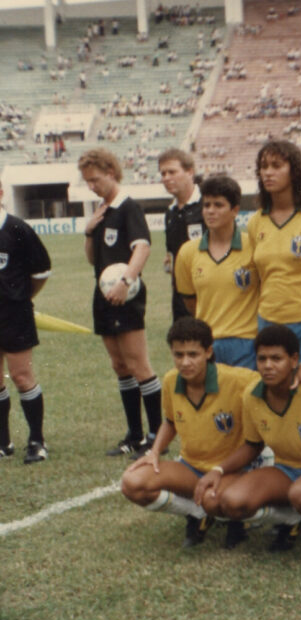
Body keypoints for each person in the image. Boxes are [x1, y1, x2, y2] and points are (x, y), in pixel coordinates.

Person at [195, 324, 301, 552]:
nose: (268, 366)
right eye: (262, 359)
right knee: (230, 502)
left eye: (276, 358)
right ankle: (291, 520)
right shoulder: (252, 395)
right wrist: (218, 470)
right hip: (286, 469)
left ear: (294, 360)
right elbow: (252, 445)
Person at [120, 318, 257, 547]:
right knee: (132, 483)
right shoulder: (171, 380)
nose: (185, 362)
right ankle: (197, 513)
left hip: (230, 469)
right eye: (178, 354)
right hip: (191, 466)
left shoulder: (238, 380)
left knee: (214, 500)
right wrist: (154, 452)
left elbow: (275, 382)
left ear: (208, 352)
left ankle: (233, 519)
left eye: (193, 354)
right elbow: (171, 421)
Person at [79, 148, 162, 458]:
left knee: (138, 364)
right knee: (119, 365)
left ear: (111, 173)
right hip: (102, 295)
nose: (91, 186)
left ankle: (156, 434)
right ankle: (134, 434)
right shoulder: (102, 211)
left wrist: (125, 282)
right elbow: (93, 259)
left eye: (95, 180)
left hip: (125, 294)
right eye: (87, 182)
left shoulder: (128, 208)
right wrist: (89, 232)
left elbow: (142, 248)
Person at [247, 140, 301, 372]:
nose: (268, 172)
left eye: (276, 166)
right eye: (264, 167)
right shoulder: (257, 221)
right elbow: (259, 280)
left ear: (294, 171)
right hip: (269, 321)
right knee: (277, 396)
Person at [174, 174, 258, 369]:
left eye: (218, 205)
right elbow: (189, 300)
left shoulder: (253, 246)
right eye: (206, 205)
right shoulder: (188, 252)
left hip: (247, 343)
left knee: (243, 399)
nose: (210, 211)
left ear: (235, 210)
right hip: (207, 344)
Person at [0, 178, 52, 464]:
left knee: (21, 376)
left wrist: (21, 296)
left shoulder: (18, 229)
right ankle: (3, 442)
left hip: (14, 314)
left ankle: (36, 440)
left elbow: (41, 271)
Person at [159, 148, 203, 322]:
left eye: (172, 172)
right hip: (180, 294)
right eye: (163, 173)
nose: (166, 178)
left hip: (208, 294)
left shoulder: (208, 204)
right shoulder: (170, 212)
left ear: (190, 172)